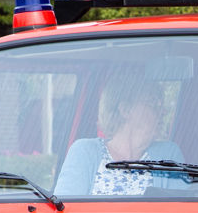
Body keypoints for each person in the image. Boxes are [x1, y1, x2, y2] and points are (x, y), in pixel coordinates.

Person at [55, 75, 185, 196]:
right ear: (125, 110)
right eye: (153, 103)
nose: (163, 111)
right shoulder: (84, 152)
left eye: (161, 105)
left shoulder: (169, 154)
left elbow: (180, 212)